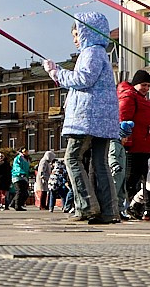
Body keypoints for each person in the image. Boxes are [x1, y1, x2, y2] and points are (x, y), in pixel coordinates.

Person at [47, 15, 122, 224]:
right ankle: (109, 210)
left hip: (88, 116)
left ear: (88, 32)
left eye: (77, 34)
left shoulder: (91, 52)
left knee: (72, 157)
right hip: (102, 118)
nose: (75, 40)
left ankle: (86, 206)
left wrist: (56, 73)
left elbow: (82, 79)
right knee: (100, 163)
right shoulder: (100, 53)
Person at [114, 70, 150, 219]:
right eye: (143, 84)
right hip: (135, 147)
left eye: (148, 85)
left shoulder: (141, 98)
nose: (146, 88)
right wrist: (126, 138)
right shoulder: (129, 97)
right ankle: (124, 207)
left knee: (149, 180)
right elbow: (123, 118)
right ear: (135, 84)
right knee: (131, 180)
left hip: (147, 146)